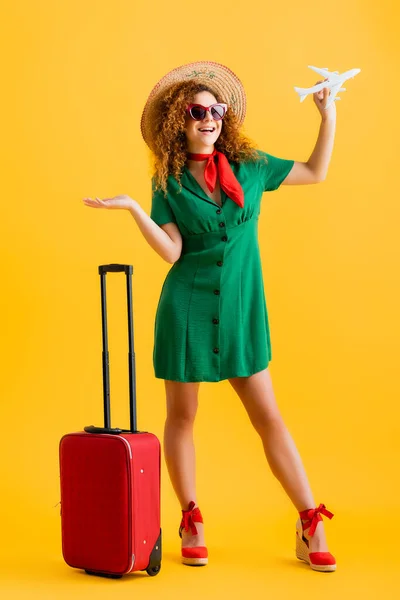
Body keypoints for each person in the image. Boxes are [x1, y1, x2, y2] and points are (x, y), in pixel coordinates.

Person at [83, 61, 337, 573]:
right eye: (198, 111)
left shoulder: (252, 166)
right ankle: (191, 517)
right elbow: (172, 252)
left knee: (268, 417)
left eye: (216, 110)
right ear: (182, 119)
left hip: (241, 309)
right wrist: (136, 208)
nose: (210, 118)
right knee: (182, 417)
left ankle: (311, 520)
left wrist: (327, 116)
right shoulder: (170, 182)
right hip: (189, 307)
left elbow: (315, 172)